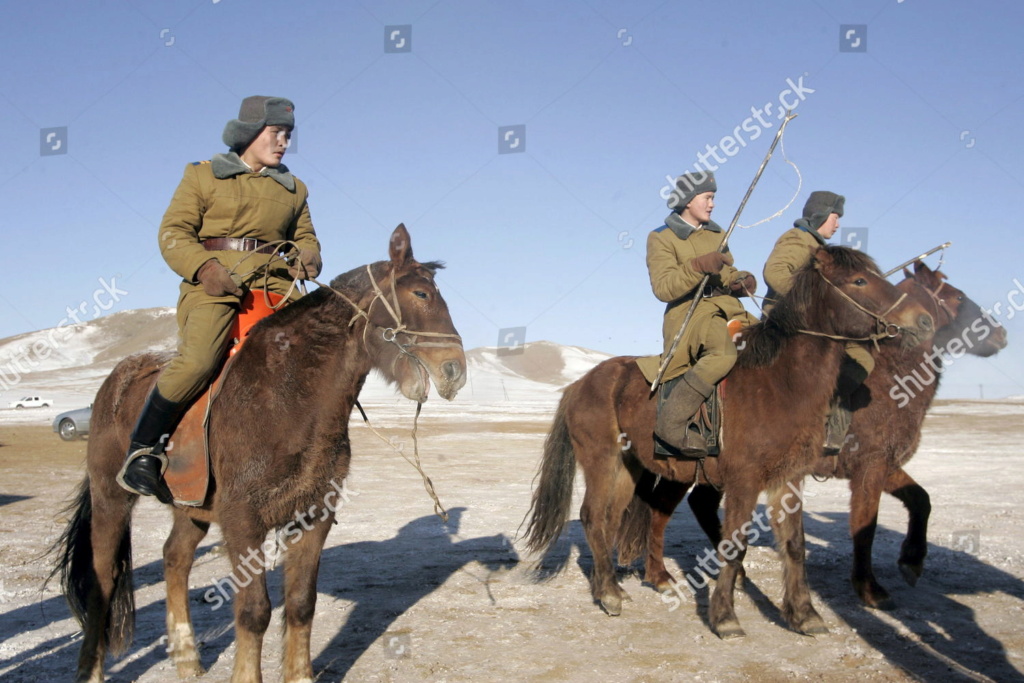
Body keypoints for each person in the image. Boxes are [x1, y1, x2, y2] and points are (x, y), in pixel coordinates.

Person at [117, 96, 323, 503]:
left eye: (287, 135)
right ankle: (143, 451)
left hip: (277, 286)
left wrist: (309, 256)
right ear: (249, 134)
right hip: (215, 285)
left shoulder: (293, 188)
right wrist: (204, 268)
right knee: (198, 360)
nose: (283, 142)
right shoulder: (203, 176)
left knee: (321, 357)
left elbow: (305, 237)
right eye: (275, 133)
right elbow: (173, 233)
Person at [647, 171, 757, 457]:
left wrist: (739, 280)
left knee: (765, 343)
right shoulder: (661, 238)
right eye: (707, 197)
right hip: (690, 315)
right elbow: (663, 288)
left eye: (713, 198)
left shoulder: (718, 234)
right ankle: (671, 422)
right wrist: (696, 267)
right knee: (723, 352)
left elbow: (728, 270)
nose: (712, 204)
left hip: (727, 309)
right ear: (687, 200)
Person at [762, 190, 873, 454]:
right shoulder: (797, 240)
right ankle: (818, 419)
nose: (837, 224)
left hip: (814, 327)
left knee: (862, 357)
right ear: (820, 215)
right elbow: (774, 273)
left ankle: (831, 412)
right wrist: (812, 301)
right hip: (789, 324)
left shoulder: (820, 248)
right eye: (835, 217)